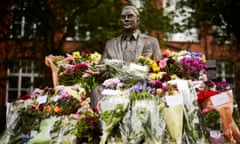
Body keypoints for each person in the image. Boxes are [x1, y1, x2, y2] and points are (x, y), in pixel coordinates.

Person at [91, 5, 162, 106]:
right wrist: (103, 71)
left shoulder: (151, 42)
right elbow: (102, 72)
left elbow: (159, 69)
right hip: (115, 87)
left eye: (130, 16)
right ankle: (97, 121)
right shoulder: (110, 44)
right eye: (123, 17)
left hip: (141, 86)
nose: (126, 19)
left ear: (138, 20)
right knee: (96, 91)